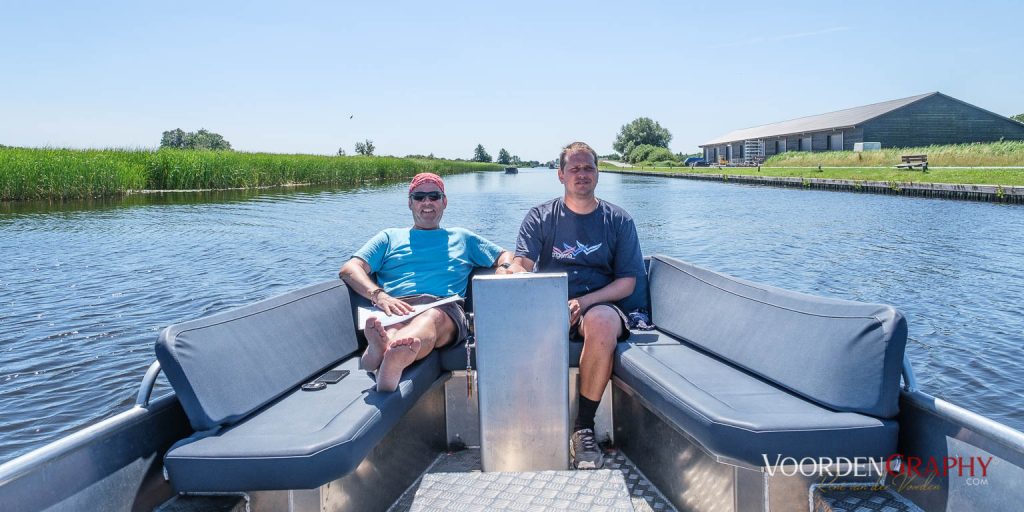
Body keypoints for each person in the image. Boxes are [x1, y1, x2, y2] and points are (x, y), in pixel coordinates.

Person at [499, 142, 645, 469]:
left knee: (603, 323)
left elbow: (627, 282)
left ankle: (583, 428)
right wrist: (510, 270)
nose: (582, 174)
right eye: (575, 169)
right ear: (561, 175)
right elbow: (523, 263)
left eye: (588, 168)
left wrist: (583, 302)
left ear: (598, 174)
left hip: (599, 302)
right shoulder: (540, 217)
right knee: (522, 326)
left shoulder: (619, 221)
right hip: (550, 300)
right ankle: (527, 424)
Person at [340, 173, 513, 392]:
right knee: (391, 327)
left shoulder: (463, 237)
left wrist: (503, 270)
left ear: (444, 201)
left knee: (433, 317)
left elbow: (505, 255)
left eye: (434, 196)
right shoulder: (388, 237)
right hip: (397, 305)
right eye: (420, 197)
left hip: (444, 307)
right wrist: (379, 295)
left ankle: (382, 357)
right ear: (410, 203)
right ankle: (385, 353)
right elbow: (349, 269)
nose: (427, 202)